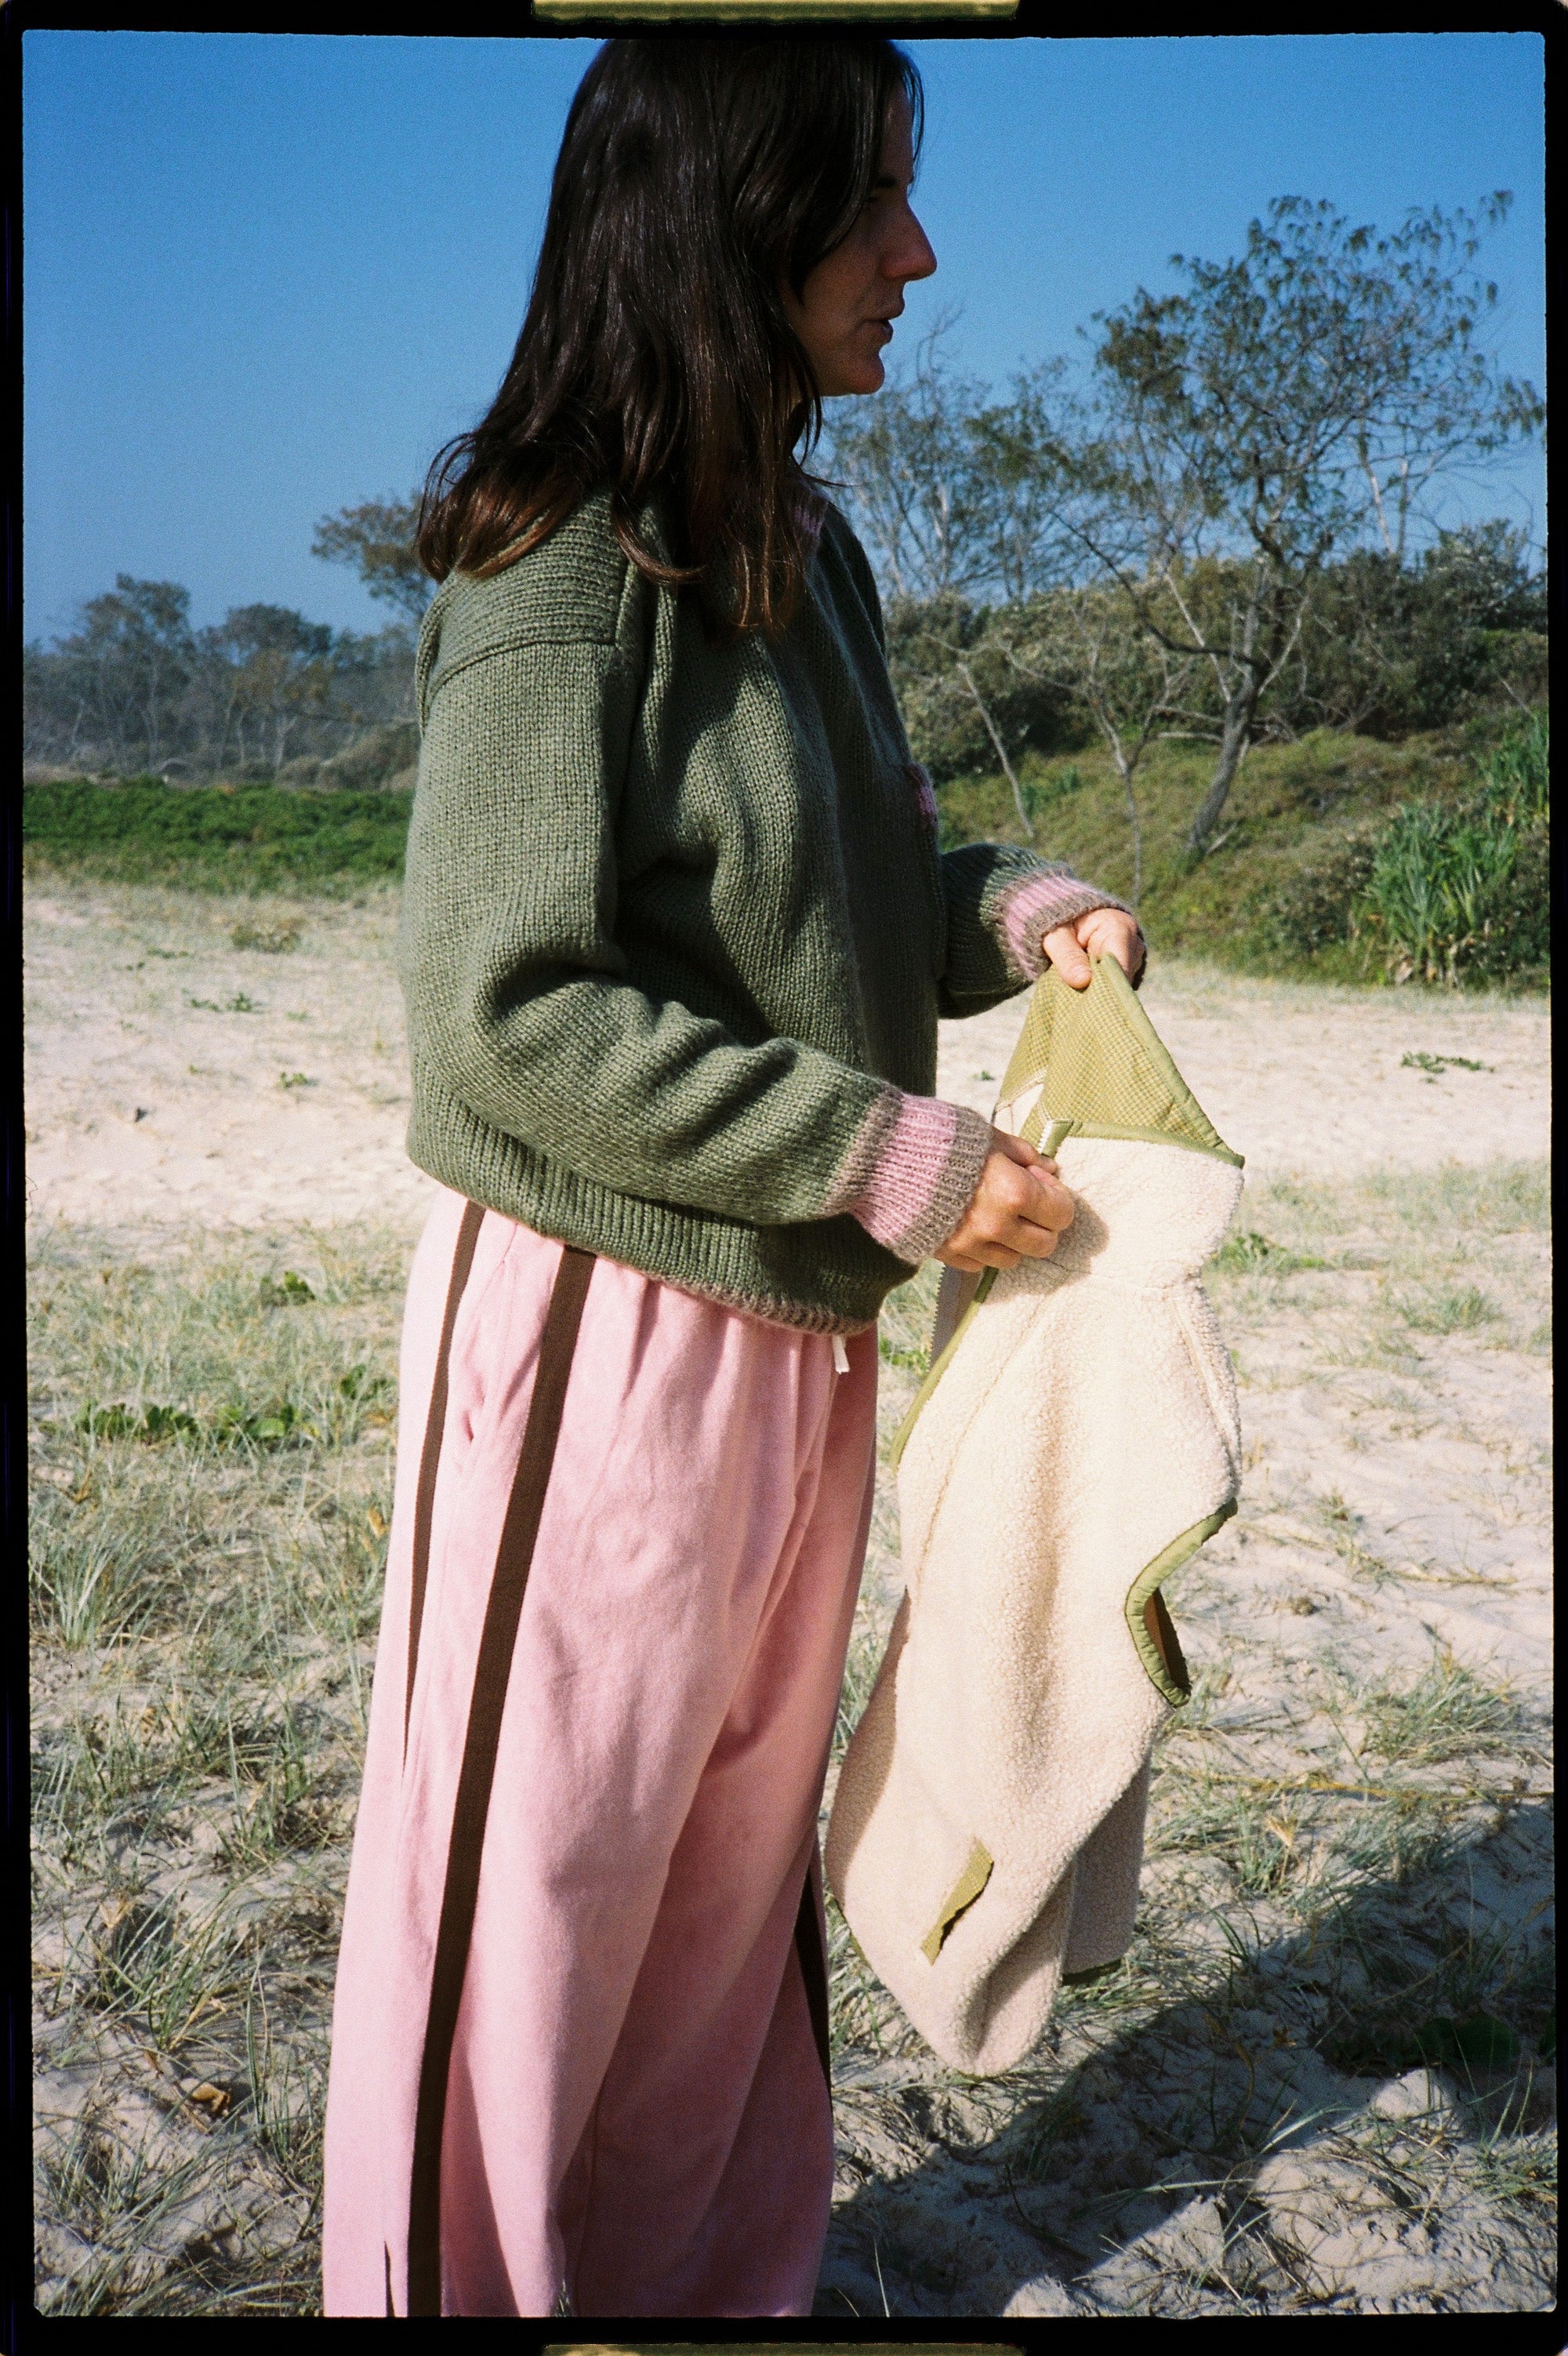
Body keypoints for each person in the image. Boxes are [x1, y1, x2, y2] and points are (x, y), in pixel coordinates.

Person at [321, 34, 1144, 2321]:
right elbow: (504, 1000)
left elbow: (824, 887)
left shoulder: (803, 540)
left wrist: (1004, 909)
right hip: (599, 1325)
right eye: (874, 199)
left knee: (713, 1879)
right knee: (538, 1886)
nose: (920, 253)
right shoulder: (562, 560)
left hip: (796, 1324)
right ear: (728, 218)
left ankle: (692, 2302)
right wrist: (879, 1149)